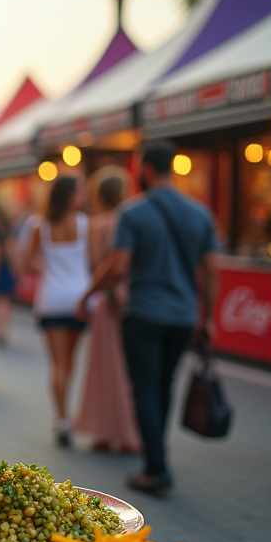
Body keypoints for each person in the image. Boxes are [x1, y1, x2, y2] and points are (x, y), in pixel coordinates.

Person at [78, 141, 218, 495]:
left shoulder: (133, 212)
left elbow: (118, 265)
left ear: (147, 169)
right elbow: (213, 272)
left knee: (144, 390)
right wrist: (209, 317)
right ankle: (158, 454)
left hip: (143, 313)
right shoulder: (201, 213)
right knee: (164, 385)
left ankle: (156, 468)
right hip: (183, 315)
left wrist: (89, 293)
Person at [72, 168, 141, 454]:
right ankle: (130, 432)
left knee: (102, 369)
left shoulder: (95, 224)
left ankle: (103, 431)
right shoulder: (131, 218)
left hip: (106, 300)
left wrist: (102, 292)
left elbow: (96, 264)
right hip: (131, 299)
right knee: (128, 370)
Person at [26, 175, 92, 446]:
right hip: (79, 298)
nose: (84, 196)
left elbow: (28, 263)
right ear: (69, 196)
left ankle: (62, 417)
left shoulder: (41, 225)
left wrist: (49, 270)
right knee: (71, 361)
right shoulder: (86, 225)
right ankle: (68, 415)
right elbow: (95, 261)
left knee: (57, 363)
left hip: (52, 298)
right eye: (79, 192)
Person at [0, 206, 17, 345]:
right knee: (4, 300)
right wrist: (16, 269)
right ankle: (2, 329)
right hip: (4, 268)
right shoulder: (7, 234)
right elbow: (12, 253)